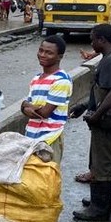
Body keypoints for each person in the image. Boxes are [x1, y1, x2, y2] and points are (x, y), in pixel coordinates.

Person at [69, 24, 111, 221]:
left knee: (102, 164)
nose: (91, 42)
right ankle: (98, 201)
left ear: (102, 40)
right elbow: (101, 90)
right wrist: (85, 106)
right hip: (105, 119)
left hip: (107, 122)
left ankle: (100, 207)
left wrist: (96, 115)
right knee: (97, 160)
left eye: (93, 39)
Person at [20, 35, 72, 164]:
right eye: (41, 50)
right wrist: (26, 106)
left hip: (49, 139)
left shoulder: (62, 81)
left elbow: (43, 113)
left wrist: (26, 107)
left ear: (60, 56)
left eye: (49, 53)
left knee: (47, 180)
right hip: (31, 136)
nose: (42, 55)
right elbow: (27, 105)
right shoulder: (36, 79)